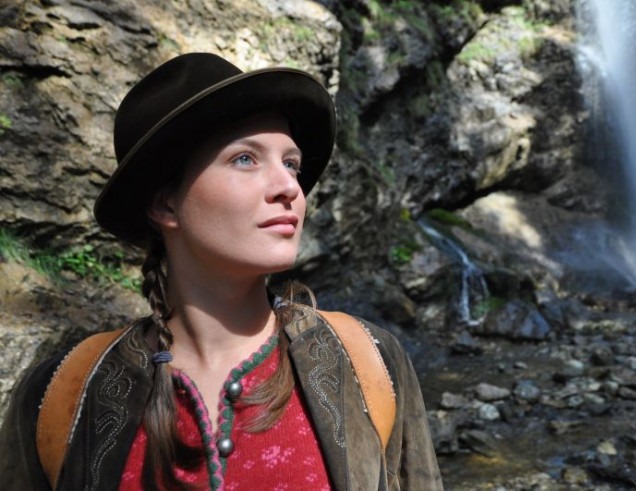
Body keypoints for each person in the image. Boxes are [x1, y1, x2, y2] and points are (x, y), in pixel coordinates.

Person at [0, 53, 442, 490]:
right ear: (165, 204)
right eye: (245, 159)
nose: (289, 187)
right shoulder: (62, 395)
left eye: (291, 164)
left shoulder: (367, 363)